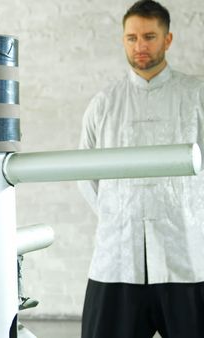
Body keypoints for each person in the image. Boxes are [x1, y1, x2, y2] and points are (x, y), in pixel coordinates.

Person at [78, 1, 204, 337]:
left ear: (168, 39)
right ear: (123, 40)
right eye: (131, 38)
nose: (140, 46)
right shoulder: (104, 104)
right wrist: (118, 212)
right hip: (117, 258)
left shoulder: (197, 96)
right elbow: (86, 176)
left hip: (187, 258)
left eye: (149, 36)